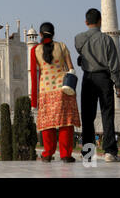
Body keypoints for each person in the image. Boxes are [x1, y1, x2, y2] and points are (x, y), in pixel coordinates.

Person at [75, 8, 120, 162]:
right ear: (100, 21)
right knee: (107, 114)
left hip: (88, 78)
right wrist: (118, 86)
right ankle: (110, 152)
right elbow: (114, 65)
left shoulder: (79, 38)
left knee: (87, 117)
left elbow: (80, 54)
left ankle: (88, 155)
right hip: (104, 78)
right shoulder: (107, 40)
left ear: (86, 22)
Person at [30, 22, 81, 163]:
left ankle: (47, 154)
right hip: (63, 89)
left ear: (40, 34)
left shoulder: (35, 50)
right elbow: (71, 68)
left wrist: (34, 99)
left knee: (48, 124)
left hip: (45, 90)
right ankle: (65, 154)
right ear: (53, 33)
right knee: (65, 123)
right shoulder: (61, 46)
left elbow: (34, 75)